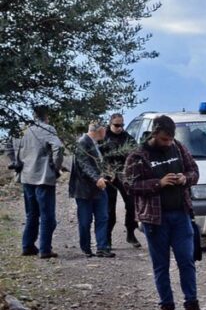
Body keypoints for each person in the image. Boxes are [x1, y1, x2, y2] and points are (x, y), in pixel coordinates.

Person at [124, 115, 206, 310]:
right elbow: (130, 185)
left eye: (170, 139)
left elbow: (194, 172)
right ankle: (167, 307)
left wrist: (184, 179)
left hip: (181, 214)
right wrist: (158, 183)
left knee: (186, 261)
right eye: (164, 140)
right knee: (161, 265)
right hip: (155, 219)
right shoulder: (138, 155)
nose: (168, 143)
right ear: (154, 134)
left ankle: (192, 305)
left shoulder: (178, 148)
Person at [6, 106, 64, 259]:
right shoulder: (47, 128)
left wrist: (16, 161)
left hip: (26, 177)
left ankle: (28, 246)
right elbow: (58, 147)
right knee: (47, 216)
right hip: (44, 177)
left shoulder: (21, 130)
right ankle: (45, 249)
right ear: (46, 116)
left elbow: (6, 146)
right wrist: (55, 167)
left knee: (31, 214)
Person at [69, 122, 114, 258]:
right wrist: (97, 178)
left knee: (103, 218)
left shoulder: (95, 143)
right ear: (99, 130)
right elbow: (84, 165)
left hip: (98, 189)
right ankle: (86, 247)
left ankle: (102, 247)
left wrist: (107, 174)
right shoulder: (83, 143)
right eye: (104, 130)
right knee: (85, 220)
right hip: (84, 190)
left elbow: (98, 163)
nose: (106, 132)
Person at [100, 113, 140, 247]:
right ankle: (107, 238)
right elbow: (97, 155)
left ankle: (130, 232)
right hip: (108, 176)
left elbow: (136, 152)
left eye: (122, 125)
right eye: (117, 125)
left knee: (131, 204)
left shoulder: (126, 137)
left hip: (124, 175)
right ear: (110, 124)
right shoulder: (103, 137)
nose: (120, 128)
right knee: (109, 209)